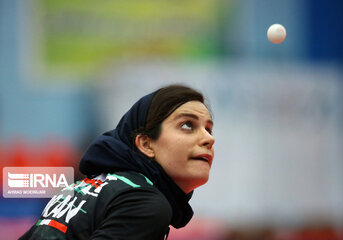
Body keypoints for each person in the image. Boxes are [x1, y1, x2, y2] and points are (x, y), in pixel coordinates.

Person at [19, 84, 215, 240]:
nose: (208, 139)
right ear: (146, 144)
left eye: (208, 129)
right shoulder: (145, 204)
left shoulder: (81, 188)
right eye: (188, 125)